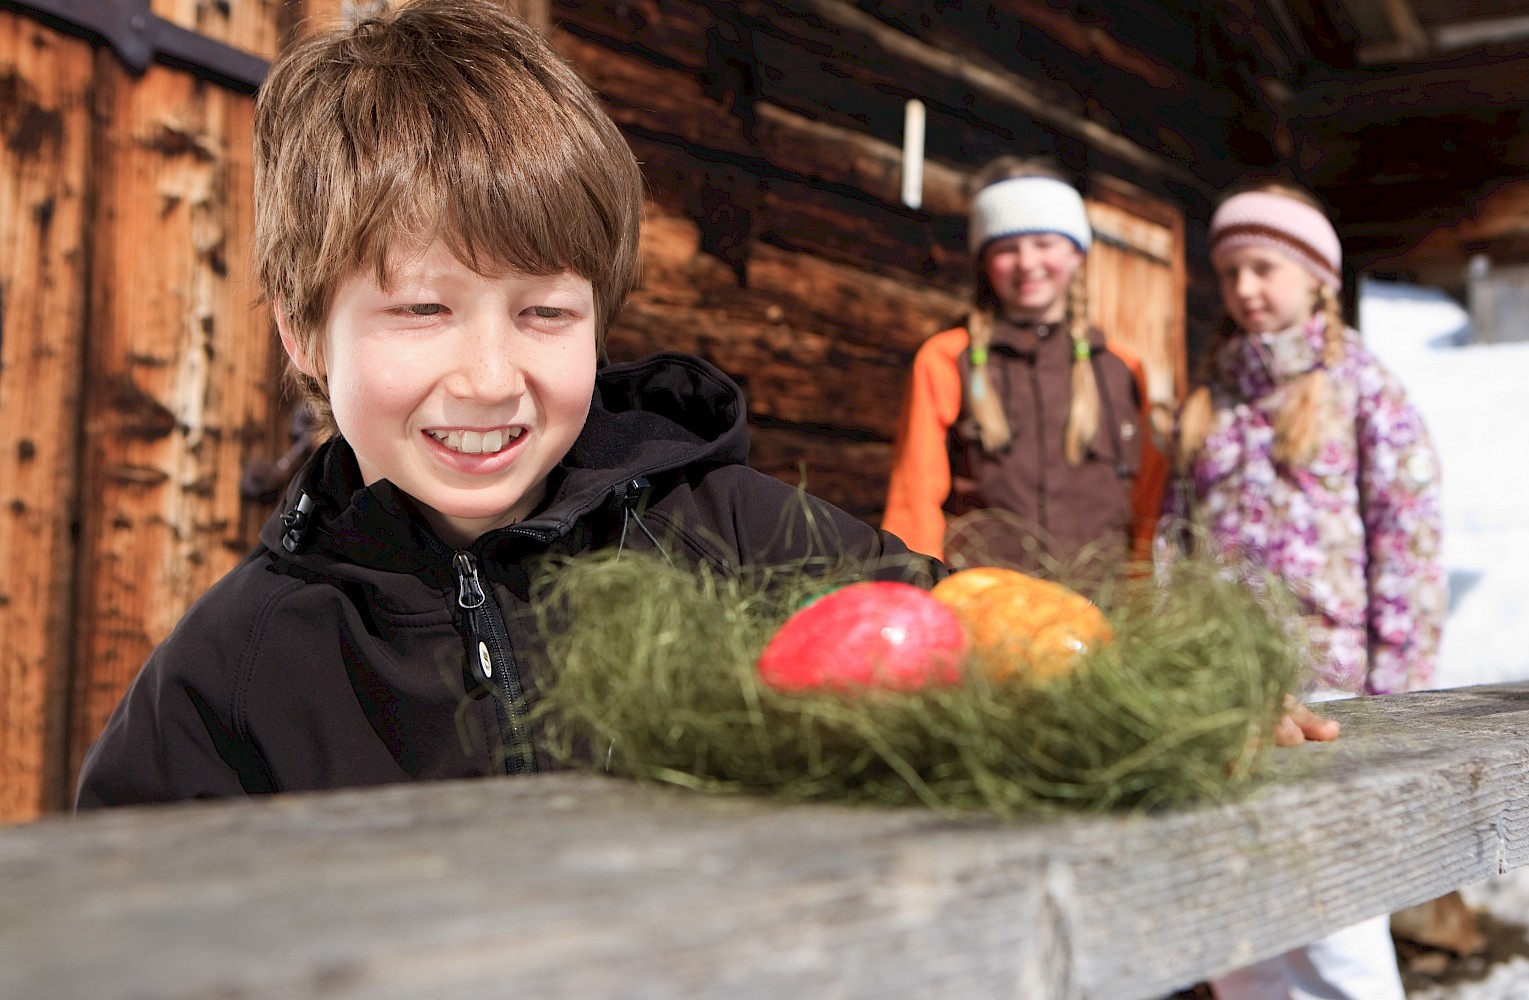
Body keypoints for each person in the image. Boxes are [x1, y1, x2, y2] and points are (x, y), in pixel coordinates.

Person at [75, 0, 932, 808]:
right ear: (302, 331)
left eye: (545, 312)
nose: (489, 378)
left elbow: (989, 649)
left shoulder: (731, 535)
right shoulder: (233, 674)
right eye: (421, 309)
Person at [1164, 182, 1447, 999]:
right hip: (1226, 688)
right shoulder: (1212, 391)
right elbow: (1173, 538)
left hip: (1332, 689)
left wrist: (1401, 693)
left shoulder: (1365, 388)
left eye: (1264, 268)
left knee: (1334, 912)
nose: (1246, 289)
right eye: (1231, 273)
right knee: (1235, 919)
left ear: (1318, 276)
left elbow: (1410, 543)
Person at [881, 159, 1168, 576]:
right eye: (1006, 248)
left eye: (1044, 243)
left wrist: (1144, 604)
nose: (1027, 262)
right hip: (984, 613)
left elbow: (1148, 503)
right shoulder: (945, 359)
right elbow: (914, 501)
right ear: (984, 262)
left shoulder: (1124, 369)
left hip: (1106, 619)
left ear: (1076, 254)